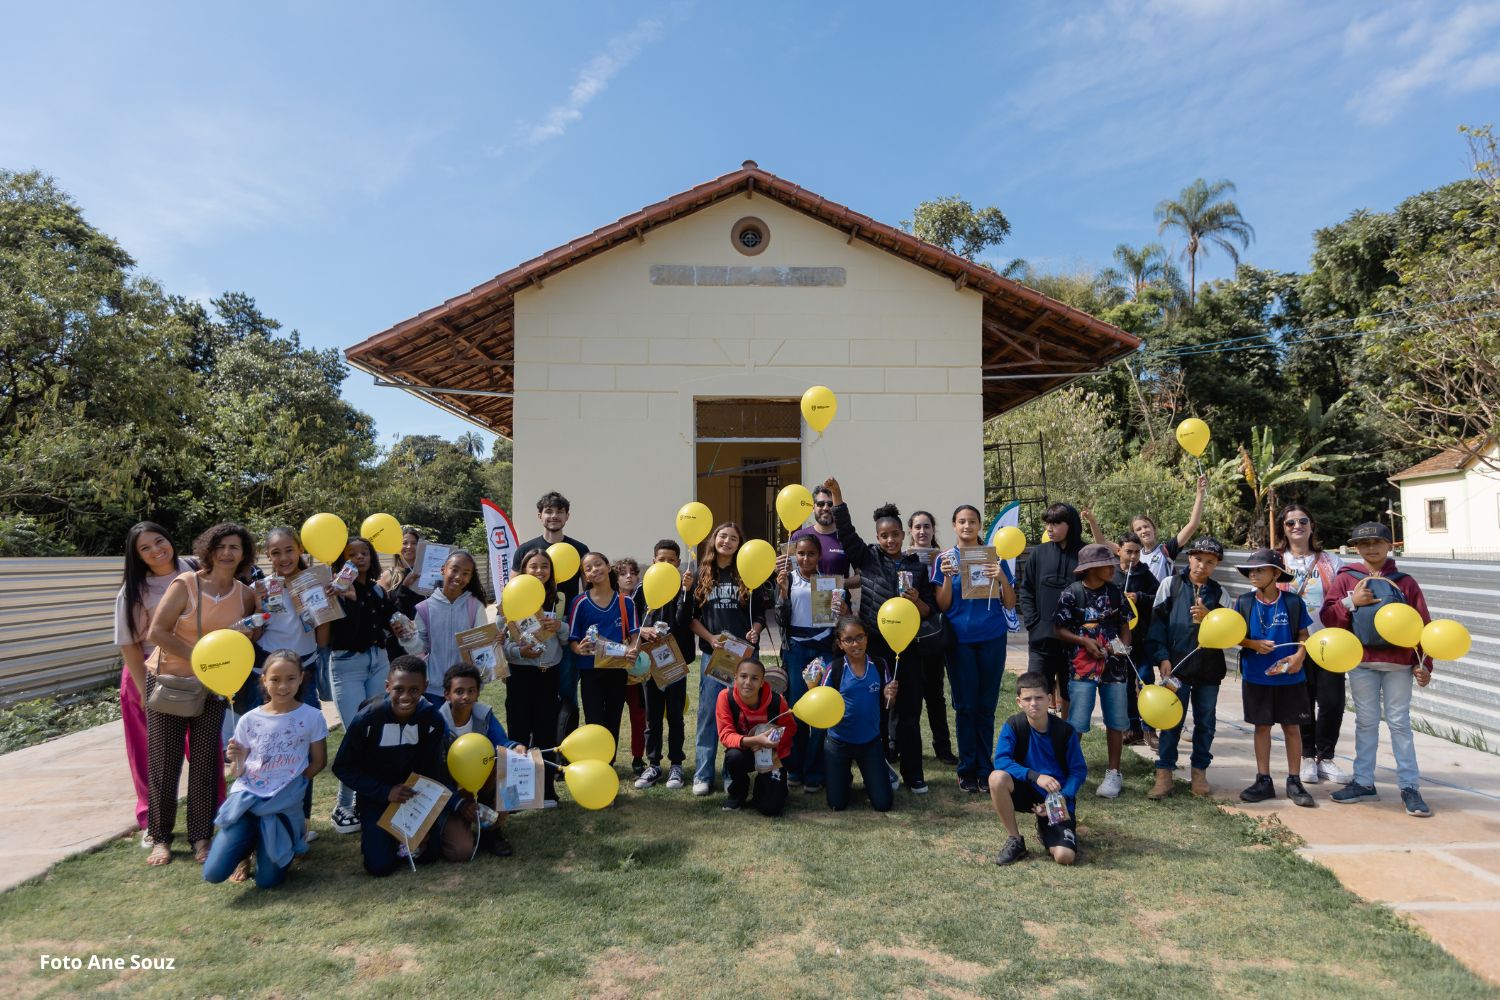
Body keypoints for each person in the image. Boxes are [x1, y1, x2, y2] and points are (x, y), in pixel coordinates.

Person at [144, 523, 260, 866]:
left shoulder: (245, 595)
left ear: (244, 554)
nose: (227, 553)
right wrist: (200, 660)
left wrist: (259, 622)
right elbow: (157, 632)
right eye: (221, 546)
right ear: (208, 550)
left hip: (214, 687)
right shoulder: (187, 584)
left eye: (234, 547)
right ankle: (161, 838)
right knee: (165, 764)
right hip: (172, 684)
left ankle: (201, 837)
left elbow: (244, 640)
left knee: (206, 763)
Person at [825, 477, 933, 793]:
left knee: (909, 712)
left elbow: (928, 610)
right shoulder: (867, 557)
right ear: (877, 537)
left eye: (895, 534)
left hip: (908, 647)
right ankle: (882, 768)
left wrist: (917, 600)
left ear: (903, 535)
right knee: (879, 711)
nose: (890, 540)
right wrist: (838, 497)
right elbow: (846, 533)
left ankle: (914, 774)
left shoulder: (917, 567)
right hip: (874, 646)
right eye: (884, 536)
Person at [1322, 523, 1435, 817]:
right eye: (1364, 544)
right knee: (1365, 722)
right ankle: (1363, 782)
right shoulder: (1347, 578)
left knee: (1399, 723)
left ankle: (1409, 787)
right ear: (1356, 548)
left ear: (1389, 545)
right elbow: (1329, 618)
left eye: (1377, 542)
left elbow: (1422, 624)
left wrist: (1424, 664)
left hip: (1399, 665)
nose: (1371, 548)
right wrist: (1351, 601)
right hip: (1362, 663)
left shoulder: (1405, 582)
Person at [331, 656, 470, 876]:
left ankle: (406, 838)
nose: (406, 697)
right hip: (377, 797)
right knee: (379, 866)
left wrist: (425, 812)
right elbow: (343, 767)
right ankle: (380, 837)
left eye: (414, 690)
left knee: (429, 854)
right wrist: (384, 792)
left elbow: (432, 770)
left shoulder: (431, 719)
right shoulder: (368, 719)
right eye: (398, 689)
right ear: (387, 686)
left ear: (425, 687)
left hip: (413, 797)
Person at [204, 650, 327, 888]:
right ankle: (245, 846)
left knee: (267, 881)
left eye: (290, 678)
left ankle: (274, 839)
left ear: (301, 678)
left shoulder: (312, 716)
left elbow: (319, 761)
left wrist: (297, 783)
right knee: (214, 873)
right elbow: (237, 772)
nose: (283, 686)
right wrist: (237, 759)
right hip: (247, 801)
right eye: (275, 679)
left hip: (283, 803)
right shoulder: (248, 719)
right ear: (264, 680)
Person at [113, 521, 198, 846]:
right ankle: (153, 821)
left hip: (195, 668)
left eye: (159, 541)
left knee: (204, 747)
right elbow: (129, 644)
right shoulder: (133, 590)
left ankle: (212, 811)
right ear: (136, 556)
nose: (155, 550)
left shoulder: (194, 570)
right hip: (147, 672)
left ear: (170, 539)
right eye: (144, 548)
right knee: (151, 752)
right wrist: (143, 690)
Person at [328, 538, 420, 834]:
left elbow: (389, 617)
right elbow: (346, 632)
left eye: (364, 553)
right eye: (352, 554)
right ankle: (343, 805)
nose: (359, 558)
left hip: (378, 661)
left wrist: (396, 623)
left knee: (377, 729)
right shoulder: (334, 590)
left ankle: (364, 798)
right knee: (356, 731)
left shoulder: (377, 590)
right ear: (341, 559)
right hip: (347, 664)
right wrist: (351, 600)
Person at [933, 505, 1017, 793]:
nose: (967, 526)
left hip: (992, 637)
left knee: (986, 705)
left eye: (972, 521)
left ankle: (984, 767)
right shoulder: (945, 559)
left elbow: (1010, 603)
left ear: (980, 525)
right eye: (961, 521)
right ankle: (966, 767)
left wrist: (1001, 576)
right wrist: (947, 576)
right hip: (960, 641)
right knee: (966, 706)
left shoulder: (995, 557)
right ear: (954, 526)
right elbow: (943, 605)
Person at [686, 522, 769, 796]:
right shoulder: (702, 574)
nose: (727, 542)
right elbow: (691, 618)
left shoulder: (748, 573)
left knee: (740, 717)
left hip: (744, 657)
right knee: (708, 715)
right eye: (723, 536)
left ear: (739, 544)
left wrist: (755, 630)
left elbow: (759, 615)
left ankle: (733, 774)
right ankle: (703, 774)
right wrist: (710, 638)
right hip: (715, 656)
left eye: (733, 538)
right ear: (714, 540)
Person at [1233, 549, 1316, 808]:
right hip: (1256, 676)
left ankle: (1294, 781)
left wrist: (1300, 656)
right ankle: (1264, 780)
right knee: (1262, 727)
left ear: (1276, 574)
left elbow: (1303, 635)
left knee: (1292, 727)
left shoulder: (1293, 602)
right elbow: (1234, 635)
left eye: (1260, 570)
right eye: (1251, 571)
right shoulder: (1244, 602)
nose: (1253, 575)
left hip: (1290, 677)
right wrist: (1253, 644)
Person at [1145, 536, 1227, 800]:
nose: (1202, 565)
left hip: (1209, 668)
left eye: (1210, 562)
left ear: (1216, 565)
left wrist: (1209, 617)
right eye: (1198, 559)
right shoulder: (1170, 585)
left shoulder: (1220, 593)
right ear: (1189, 558)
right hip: (1177, 668)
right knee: (1171, 721)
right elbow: (1157, 624)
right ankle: (1164, 774)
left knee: (1206, 722)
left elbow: (1228, 633)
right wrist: (1162, 657)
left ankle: (1199, 772)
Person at [1274, 503, 1348, 786]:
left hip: (1329, 643)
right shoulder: (1276, 561)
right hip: (1292, 644)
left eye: (1303, 521)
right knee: (1301, 702)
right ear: (1283, 529)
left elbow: (1344, 595)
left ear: (1312, 525)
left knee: (1332, 702)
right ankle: (1307, 756)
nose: (1297, 526)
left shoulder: (1330, 561)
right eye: (1290, 523)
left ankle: (1325, 757)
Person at [1053, 543, 1132, 799]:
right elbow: (1059, 629)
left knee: (1116, 720)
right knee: (1077, 721)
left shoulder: (1116, 593)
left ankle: (1114, 773)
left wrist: (1122, 648)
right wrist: (1084, 641)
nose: (1112, 569)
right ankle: (1071, 769)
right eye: (1106, 565)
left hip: (1115, 667)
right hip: (1081, 667)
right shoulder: (1071, 593)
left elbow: (1125, 626)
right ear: (1090, 569)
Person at [512, 492, 590, 742]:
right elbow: (513, 590)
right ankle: (532, 745)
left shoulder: (580, 549)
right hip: (530, 629)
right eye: (549, 511)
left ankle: (565, 746)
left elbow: (588, 590)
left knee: (567, 691)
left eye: (559, 511)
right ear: (540, 516)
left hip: (564, 629)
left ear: (567, 516)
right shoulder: (525, 550)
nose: (554, 516)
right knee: (531, 692)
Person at [989, 671, 1086, 866]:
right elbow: (1001, 761)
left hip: (1057, 797)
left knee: (1065, 857)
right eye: (1027, 699)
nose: (1033, 703)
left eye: (1039, 698)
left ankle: (1046, 829)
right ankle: (1015, 840)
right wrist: (1035, 776)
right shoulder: (1014, 725)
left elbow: (1078, 771)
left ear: (1050, 699)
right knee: (997, 778)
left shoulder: (1065, 731)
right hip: (1026, 789)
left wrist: (1060, 800)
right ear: (1019, 702)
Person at [774, 533, 844, 794]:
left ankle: (815, 772)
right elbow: (781, 619)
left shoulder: (829, 583)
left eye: (811, 554)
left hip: (823, 650)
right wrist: (783, 593)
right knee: (798, 709)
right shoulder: (788, 579)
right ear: (795, 555)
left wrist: (842, 608)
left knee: (821, 709)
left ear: (819, 556)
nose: (805, 558)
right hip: (796, 650)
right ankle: (796, 768)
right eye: (801, 554)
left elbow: (840, 619)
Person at [500, 546, 565, 805]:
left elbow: (569, 637)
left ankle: (546, 791)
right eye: (533, 566)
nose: (539, 571)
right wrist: (518, 651)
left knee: (545, 733)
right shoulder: (510, 597)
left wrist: (560, 626)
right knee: (518, 731)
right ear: (524, 569)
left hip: (549, 675)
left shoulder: (559, 599)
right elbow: (500, 642)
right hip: (520, 675)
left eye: (544, 566)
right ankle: (514, 796)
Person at [440, 663, 525, 856]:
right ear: (447, 695)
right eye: (459, 691)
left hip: (481, 783)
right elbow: (436, 776)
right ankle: (452, 823)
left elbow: (500, 742)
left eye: (471, 691)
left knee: (507, 765)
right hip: (451, 791)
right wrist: (459, 804)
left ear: (478, 693)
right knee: (461, 851)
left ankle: (493, 830)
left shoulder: (484, 715)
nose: (466, 696)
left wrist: (515, 747)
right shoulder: (437, 723)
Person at [821, 617, 898, 812]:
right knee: (837, 804)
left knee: (883, 804)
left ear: (867, 638)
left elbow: (888, 704)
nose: (855, 644)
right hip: (839, 742)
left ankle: (880, 771)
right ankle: (842, 776)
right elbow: (822, 706)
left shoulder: (879, 665)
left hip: (870, 742)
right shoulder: (834, 669)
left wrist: (889, 695)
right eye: (848, 640)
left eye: (860, 637)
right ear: (840, 643)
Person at [635, 540, 695, 791]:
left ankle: (676, 764)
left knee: (675, 716)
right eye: (662, 560)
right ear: (653, 561)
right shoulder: (642, 588)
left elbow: (684, 620)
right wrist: (643, 630)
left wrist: (686, 593)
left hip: (674, 663)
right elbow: (632, 622)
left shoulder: (684, 587)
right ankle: (653, 763)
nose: (667, 563)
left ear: (679, 563)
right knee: (652, 716)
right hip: (650, 663)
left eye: (672, 560)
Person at [569, 552, 640, 761]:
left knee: (613, 718)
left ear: (609, 567)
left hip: (617, 670)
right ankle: (595, 761)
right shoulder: (579, 602)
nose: (594, 570)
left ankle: (609, 762)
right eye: (588, 568)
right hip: (590, 671)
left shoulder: (626, 602)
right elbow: (573, 639)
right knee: (594, 720)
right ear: (585, 576)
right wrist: (578, 649)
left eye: (598, 564)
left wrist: (633, 650)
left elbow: (635, 635)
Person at [1018, 503, 1085, 715]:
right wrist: (1033, 623)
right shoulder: (1039, 553)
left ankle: (1067, 735)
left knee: (1071, 694)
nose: (1049, 528)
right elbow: (1026, 590)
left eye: (1056, 523)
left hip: (1074, 643)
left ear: (1070, 525)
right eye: (1048, 523)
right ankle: (1038, 735)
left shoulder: (1084, 555)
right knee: (1034, 693)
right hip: (1042, 642)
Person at [716, 659, 797, 816]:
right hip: (743, 751)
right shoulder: (725, 697)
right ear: (735, 677)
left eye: (754, 678)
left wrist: (774, 741)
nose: (748, 682)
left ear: (762, 682)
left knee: (771, 808)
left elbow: (790, 728)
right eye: (743, 676)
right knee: (733, 756)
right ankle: (738, 791)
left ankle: (765, 784)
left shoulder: (777, 700)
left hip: (771, 752)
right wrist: (755, 741)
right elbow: (726, 735)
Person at [906, 509, 955, 766]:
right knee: (905, 695)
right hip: (905, 632)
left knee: (935, 694)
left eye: (927, 526)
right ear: (910, 531)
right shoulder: (902, 559)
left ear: (934, 529)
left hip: (934, 632)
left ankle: (943, 747)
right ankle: (897, 745)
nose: (922, 531)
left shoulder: (945, 558)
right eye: (918, 527)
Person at [1096, 475, 1208, 584]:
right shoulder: (1134, 553)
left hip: (1162, 597)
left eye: (1146, 526)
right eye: (1138, 529)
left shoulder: (1166, 550)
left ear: (1154, 529)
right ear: (1134, 535)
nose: (1144, 531)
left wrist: (1200, 493)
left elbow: (1192, 525)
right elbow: (1102, 542)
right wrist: (1092, 520)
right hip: (1141, 597)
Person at [412, 549, 490, 700]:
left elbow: (482, 646)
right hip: (432, 688)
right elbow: (417, 649)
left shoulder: (475, 607)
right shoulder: (424, 608)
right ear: (443, 570)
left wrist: (479, 680)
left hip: (464, 689)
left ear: (470, 578)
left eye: (465, 573)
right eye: (454, 570)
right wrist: (407, 638)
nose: (459, 576)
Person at [1114, 533, 1161, 748]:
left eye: (1136, 552)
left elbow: (1158, 598)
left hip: (1141, 638)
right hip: (1119, 640)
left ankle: (1149, 728)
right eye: (1128, 552)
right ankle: (1132, 728)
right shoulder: (1111, 574)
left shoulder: (1145, 574)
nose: (1133, 556)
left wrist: (1139, 597)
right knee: (1125, 684)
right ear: (1119, 551)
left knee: (1146, 680)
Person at [613, 557, 649, 776]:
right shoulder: (609, 600)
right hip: (614, 667)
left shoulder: (645, 597)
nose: (629, 577)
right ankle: (609, 757)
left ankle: (638, 757)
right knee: (612, 716)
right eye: (623, 573)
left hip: (636, 667)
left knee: (638, 714)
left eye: (633, 573)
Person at [790, 484, 857, 585]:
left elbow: (861, 577)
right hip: (804, 595)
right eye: (820, 504)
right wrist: (778, 568)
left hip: (837, 595)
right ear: (813, 507)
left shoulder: (848, 538)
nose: (826, 508)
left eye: (830, 504)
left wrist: (835, 583)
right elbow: (789, 572)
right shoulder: (798, 536)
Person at [379, 526, 426, 663]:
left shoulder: (428, 574)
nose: (409, 546)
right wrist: (405, 587)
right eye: (404, 543)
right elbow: (384, 610)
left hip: (425, 639)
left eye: (414, 543)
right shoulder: (388, 575)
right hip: (398, 642)